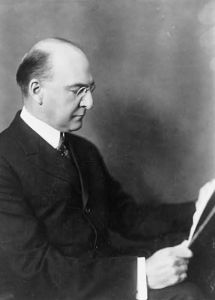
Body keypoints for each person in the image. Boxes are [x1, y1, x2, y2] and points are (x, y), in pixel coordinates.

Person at [0, 38, 206, 300]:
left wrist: (201, 208)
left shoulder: (83, 150)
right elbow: (33, 270)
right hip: (55, 293)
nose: (90, 103)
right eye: (77, 91)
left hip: (103, 283)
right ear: (37, 90)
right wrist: (140, 273)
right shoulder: (4, 160)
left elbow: (128, 217)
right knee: (187, 295)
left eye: (90, 89)